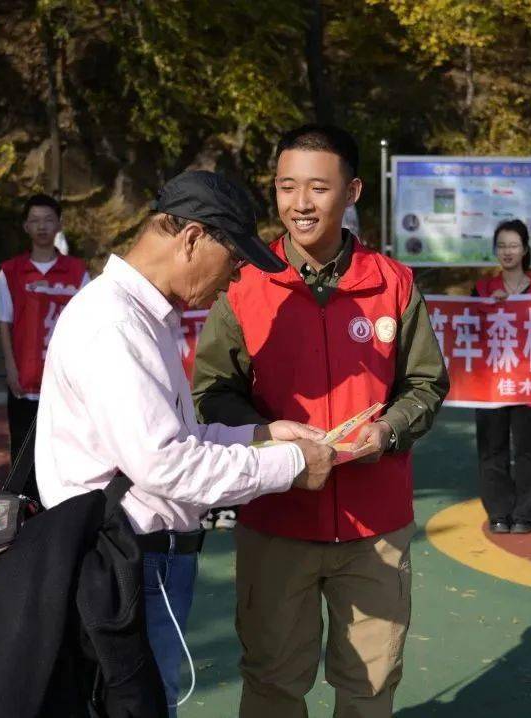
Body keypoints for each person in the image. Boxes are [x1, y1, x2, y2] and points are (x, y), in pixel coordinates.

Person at [35, 169, 336, 715]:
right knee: (138, 706)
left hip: (141, 559)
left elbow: (178, 438)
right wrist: (291, 465)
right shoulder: (115, 327)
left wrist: (262, 435)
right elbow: (166, 464)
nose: (235, 279)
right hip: (127, 563)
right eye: (235, 261)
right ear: (193, 238)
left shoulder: (144, 318)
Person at [193, 124, 449, 717]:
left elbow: (426, 383)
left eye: (317, 187)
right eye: (286, 187)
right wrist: (271, 437)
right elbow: (213, 392)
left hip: (374, 529)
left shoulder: (393, 284)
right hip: (277, 520)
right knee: (273, 683)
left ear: (352, 191)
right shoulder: (246, 283)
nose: (299, 203)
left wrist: (388, 432)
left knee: (370, 686)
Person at [0, 194, 89, 496]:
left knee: (64, 444)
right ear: (25, 226)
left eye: (48, 220)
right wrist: (10, 366)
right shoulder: (10, 271)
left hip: (64, 378)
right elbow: (4, 323)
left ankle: (59, 507)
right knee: (22, 446)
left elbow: (88, 323)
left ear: (59, 224)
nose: (42, 226)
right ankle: (22, 508)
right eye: (35, 220)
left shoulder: (77, 271)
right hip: (26, 375)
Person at [473, 219, 531, 535]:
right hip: (490, 383)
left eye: (513, 245)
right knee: (492, 447)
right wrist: (485, 308)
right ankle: (499, 510)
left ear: (525, 250)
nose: (508, 251)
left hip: (530, 383)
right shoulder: (481, 290)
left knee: (529, 448)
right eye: (502, 246)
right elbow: (467, 331)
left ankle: (525, 512)